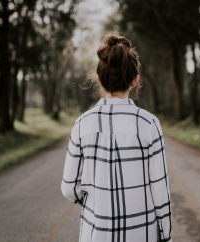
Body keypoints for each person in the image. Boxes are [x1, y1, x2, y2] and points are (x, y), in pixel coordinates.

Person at [61, 35, 172, 242]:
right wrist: (166, 236)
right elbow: (160, 190)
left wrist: (98, 200)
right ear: (135, 80)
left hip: (96, 234)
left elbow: (69, 188)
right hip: (143, 234)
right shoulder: (149, 124)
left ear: (100, 80)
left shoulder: (82, 124)